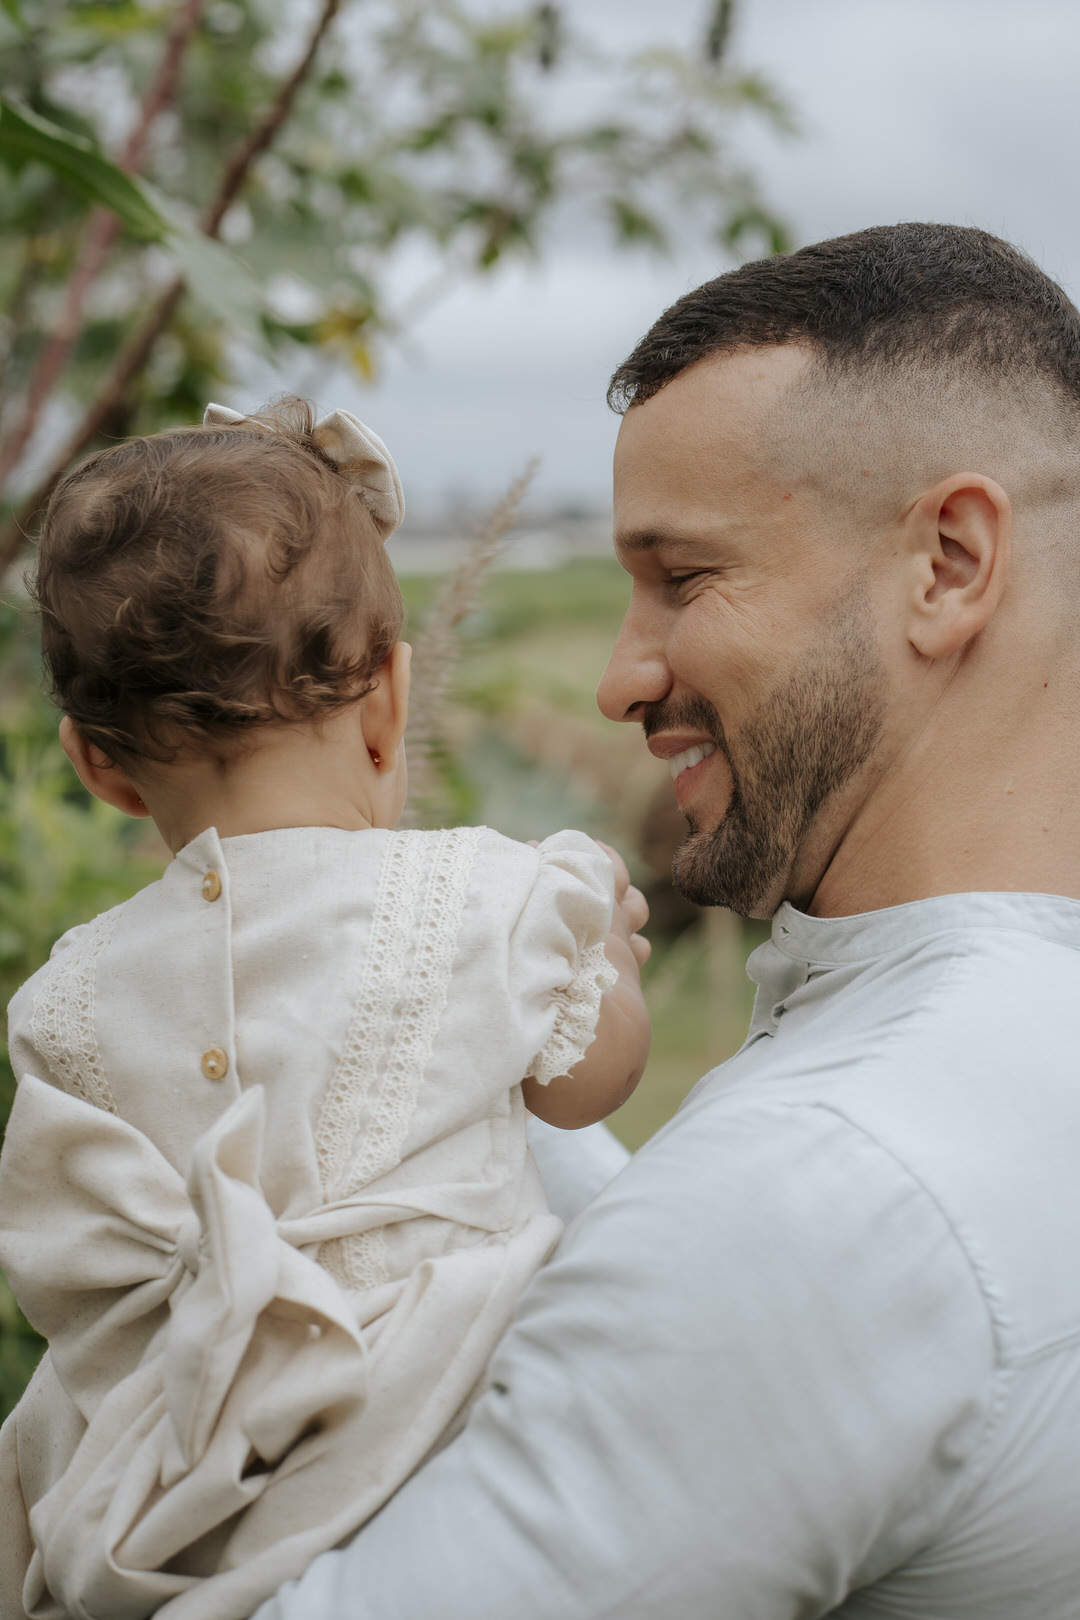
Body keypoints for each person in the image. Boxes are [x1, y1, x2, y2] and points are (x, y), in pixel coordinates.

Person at [246, 223, 1080, 1620]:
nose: (622, 677)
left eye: (684, 579)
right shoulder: (989, 1069)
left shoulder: (829, 1188)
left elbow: (769, 1256)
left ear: (949, 563)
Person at [0, 398, 651, 1620]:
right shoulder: (491, 897)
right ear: (391, 702)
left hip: (173, 1468)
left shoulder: (66, 997)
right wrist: (601, 952)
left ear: (97, 765)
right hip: (424, 1433)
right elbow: (588, 1085)